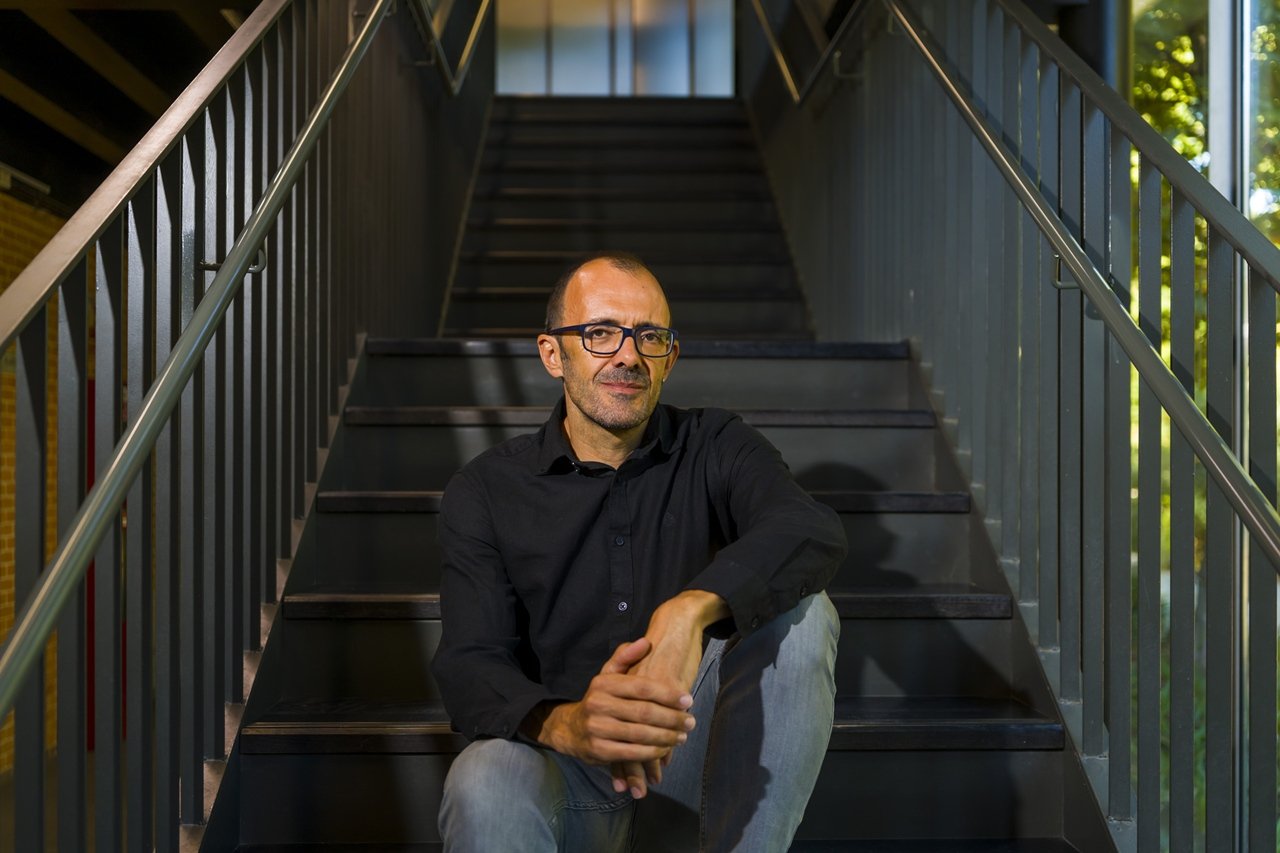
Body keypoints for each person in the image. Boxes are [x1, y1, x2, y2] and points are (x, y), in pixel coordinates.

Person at [431, 252, 847, 852]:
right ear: (553, 354)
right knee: (483, 774)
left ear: (669, 358)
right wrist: (572, 724)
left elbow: (807, 527)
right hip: (567, 775)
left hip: (692, 768)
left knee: (805, 617)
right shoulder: (486, 490)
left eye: (649, 337)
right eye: (600, 333)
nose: (628, 355)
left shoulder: (716, 444)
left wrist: (687, 612)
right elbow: (471, 665)